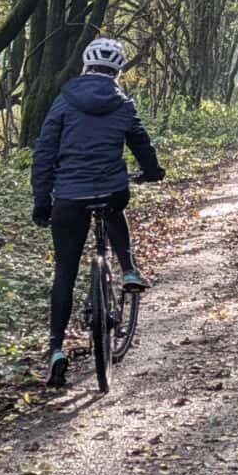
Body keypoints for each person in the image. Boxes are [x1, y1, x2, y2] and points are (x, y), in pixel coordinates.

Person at [31, 36, 165, 388]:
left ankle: (56, 349)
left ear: (85, 67)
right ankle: (129, 270)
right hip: (111, 188)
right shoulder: (123, 103)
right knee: (114, 209)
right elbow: (140, 141)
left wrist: (41, 201)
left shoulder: (63, 103)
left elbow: (44, 154)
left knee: (64, 271)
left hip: (68, 198)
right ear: (118, 71)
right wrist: (152, 171)